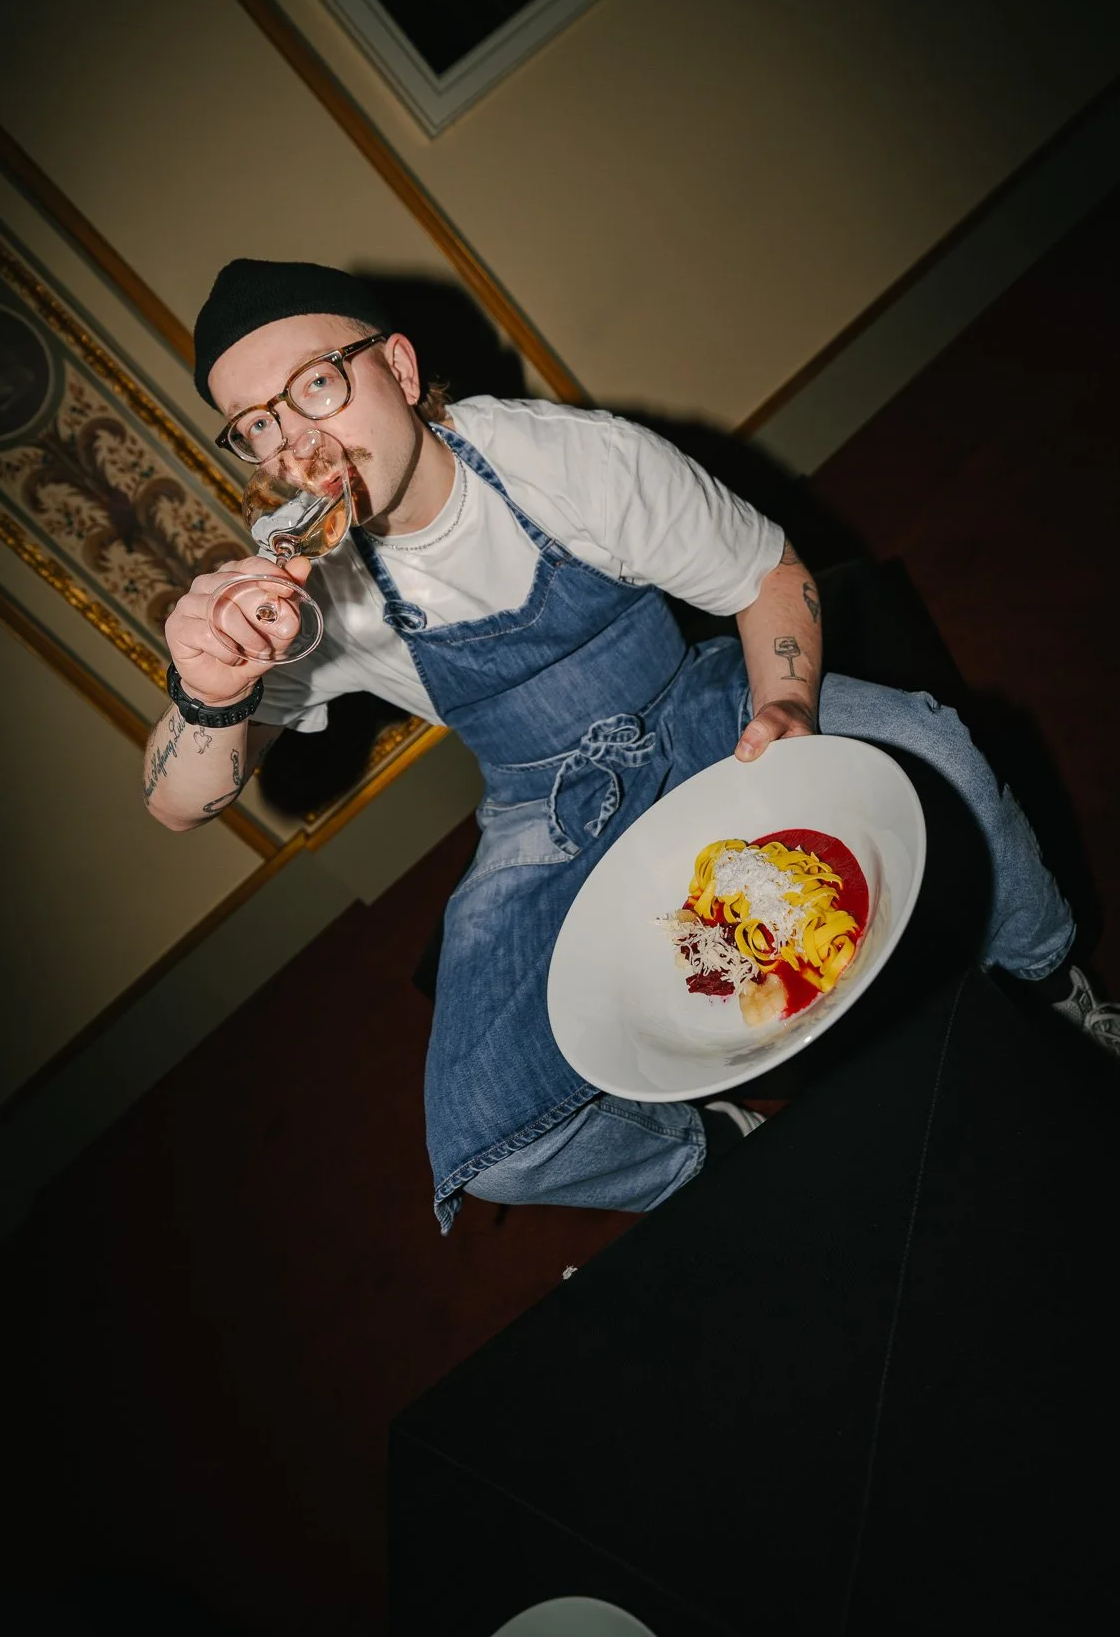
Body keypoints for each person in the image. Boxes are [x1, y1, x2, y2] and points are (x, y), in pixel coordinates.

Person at [144, 259, 1118, 1231]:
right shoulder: (304, 589)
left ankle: (1047, 976)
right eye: (258, 424)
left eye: (316, 384)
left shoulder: (564, 460)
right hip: (538, 806)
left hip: (690, 699)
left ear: (397, 367)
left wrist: (784, 705)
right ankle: (720, 1154)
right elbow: (181, 800)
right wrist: (211, 690)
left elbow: (765, 572)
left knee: (928, 744)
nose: (297, 444)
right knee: (492, 1140)